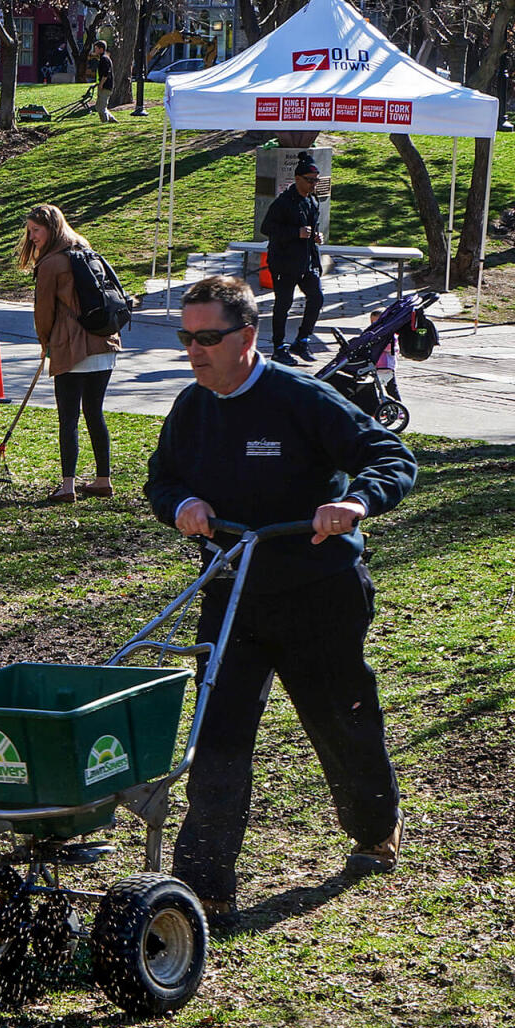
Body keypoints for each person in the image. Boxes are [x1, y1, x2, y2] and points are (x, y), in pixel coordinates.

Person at [144, 274, 416, 922]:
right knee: (217, 738)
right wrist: (182, 505)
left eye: (208, 337)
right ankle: (205, 888)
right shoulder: (192, 406)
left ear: (247, 335)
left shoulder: (300, 398)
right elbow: (162, 478)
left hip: (317, 594)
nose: (194, 349)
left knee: (341, 723)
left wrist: (353, 502)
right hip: (231, 593)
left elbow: (389, 455)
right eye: (187, 337)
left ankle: (376, 829)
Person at [18, 204, 118, 503]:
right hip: (105, 342)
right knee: (94, 413)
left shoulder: (51, 263)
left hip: (72, 348)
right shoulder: (86, 248)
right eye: (30, 231)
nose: (32, 236)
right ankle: (103, 480)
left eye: (36, 230)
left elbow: (44, 311)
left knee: (68, 418)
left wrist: (45, 343)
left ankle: (67, 486)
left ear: (52, 228)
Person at [262, 152, 326, 366]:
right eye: (309, 180)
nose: (313, 184)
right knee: (284, 304)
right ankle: (279, 348)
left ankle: (302, 340)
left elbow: (311, 228)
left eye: (316, 180)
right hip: (284, 262)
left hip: (306, 261)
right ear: (297, 179)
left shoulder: (313, 200)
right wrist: (295, 232)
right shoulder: (283, 202)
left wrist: (317, 237)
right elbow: (267, 228)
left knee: (316, 298)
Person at [370, 309, 401, 400]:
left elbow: (392, 349)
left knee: (391, 388)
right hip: (375, 366)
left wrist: (379, 344)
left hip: (387, 366)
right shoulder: (371, 334)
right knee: (373, 387)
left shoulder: (389, 334)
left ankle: (398, 405)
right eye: (372, 322)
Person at [91, 40, 116, 122]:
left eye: (96, 48)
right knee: (99, 106)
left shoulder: (104, 59)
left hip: (106, 86)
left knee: (101, 107)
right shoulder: (103, 58)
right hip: (106, 85)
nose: (95, 50)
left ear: (101, 49)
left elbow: (106, 74)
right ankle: (113, 121)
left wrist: (101, 85)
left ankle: (105, 122)